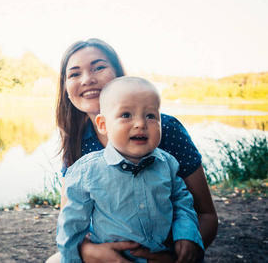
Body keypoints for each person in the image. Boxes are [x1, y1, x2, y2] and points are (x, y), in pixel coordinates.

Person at [46, 38, 217, 263]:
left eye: (98, 67)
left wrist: (175, 257)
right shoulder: (77, 142)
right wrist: (88, 252)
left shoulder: (164, 130)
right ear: (66, 89)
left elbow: (205, 214)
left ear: (119, 75)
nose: (87, 79)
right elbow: (69, 219)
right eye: (74, 74)